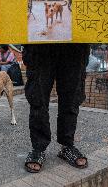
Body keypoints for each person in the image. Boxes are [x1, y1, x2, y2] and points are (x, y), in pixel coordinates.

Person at [23, 44, 90, 173]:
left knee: (72, 98)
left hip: (75, 44)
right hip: (39, 42)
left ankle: (67, 146)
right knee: (38, 98)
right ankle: (38, 148)